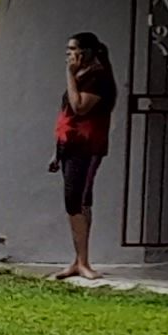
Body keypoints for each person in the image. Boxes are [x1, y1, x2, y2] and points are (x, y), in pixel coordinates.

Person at [53, 32, 118, 279]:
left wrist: (69, 75)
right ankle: (78, 260)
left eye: (73, 50)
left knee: (76, 200)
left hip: (87, 147)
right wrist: (56, 151)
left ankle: (84, 262)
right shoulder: (83, 75)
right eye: (67, 51)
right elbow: (66, 113)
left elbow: (79, 106)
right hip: (69, 146)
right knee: (77, 200)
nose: (69, 55)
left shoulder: (98, 78)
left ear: (87, 52)